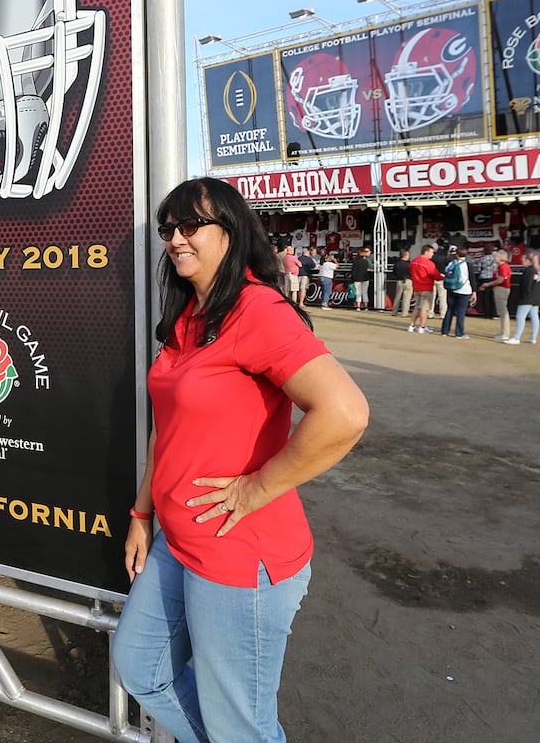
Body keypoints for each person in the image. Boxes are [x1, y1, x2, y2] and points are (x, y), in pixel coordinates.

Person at [112, 178, 369, 743]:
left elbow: (345, 413)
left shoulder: (257, 310)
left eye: (189, 226)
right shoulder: (189, 316)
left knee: (238, 724)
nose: (175, 240)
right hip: (177, 543)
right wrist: (141, 513)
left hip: (239, 555)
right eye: (167, 229)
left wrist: (255, 489)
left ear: (231, 232)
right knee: (139, 665)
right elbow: (169, 429)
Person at [505, 251, 540, 345]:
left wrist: (523, 296)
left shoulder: (529, 271)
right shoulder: (536, 271)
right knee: (534, 317)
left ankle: (516, 337)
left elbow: (527, 285)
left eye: (523, 260)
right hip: (535, 298)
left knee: (520, 317)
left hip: (528, 298)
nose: (521, 261)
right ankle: (533, 338)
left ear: (528, 261)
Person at [478, 249, 512, 339]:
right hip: (499, 288)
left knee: (503, 311)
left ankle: (505, 333)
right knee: (501, 311)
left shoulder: (503, 267)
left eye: (496, 256)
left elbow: (500, 280)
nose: (494, 258)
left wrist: (488, 284)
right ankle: (503, 331)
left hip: (502, 289)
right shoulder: (500, 266)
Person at [407, 244, 440, 334]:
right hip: (426, 288)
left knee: (417, 307)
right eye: (432, 252)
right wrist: (443, 277)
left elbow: (410, 271)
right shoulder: (429, 263)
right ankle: (422, 327)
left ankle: (411, 325)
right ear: (426, 252)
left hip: (417, 287)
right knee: (424, 308)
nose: (433, 254)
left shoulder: (413, 261)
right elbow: (436, 275)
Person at [440, 247, 472, 339]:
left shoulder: (451, 263)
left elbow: (446, 272)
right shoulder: (466, 264)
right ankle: (459, 333)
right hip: (464, 290)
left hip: (451, 289)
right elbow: (464, 278)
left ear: (456, 254)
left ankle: (444, 331)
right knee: (461, 312)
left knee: (449, 310)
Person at [390, 247, 412, 319]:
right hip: (408, 281)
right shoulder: (409, 264)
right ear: (406, 255)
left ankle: (394, 312)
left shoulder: (396, 264)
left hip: (399, 281)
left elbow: (394, 273)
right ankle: (404, 313)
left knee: (397, 297)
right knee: (407, 298)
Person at [350, 246, 372, 311]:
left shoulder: (355, 261)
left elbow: (353, 271)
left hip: (357, 278)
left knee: (358, 292)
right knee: (365, 292)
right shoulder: (366, 261)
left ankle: (358, 306)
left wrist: (352, 279)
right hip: (365, 278)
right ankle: (366, 307)